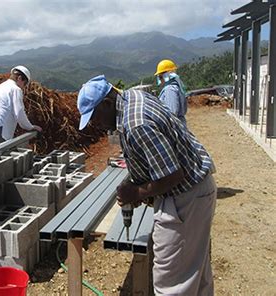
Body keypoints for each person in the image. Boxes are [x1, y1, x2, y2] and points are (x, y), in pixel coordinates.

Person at [77, 75, 216, 296]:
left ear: (106, 103)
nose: (97, 125)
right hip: (196, 192)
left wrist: (136, 192)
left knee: (171, 283)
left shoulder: (136, 123)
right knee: (195, 273)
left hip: (185, 200)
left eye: (95, 117)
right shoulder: (133, 96)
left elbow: (173, 175)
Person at [0, 65, 42, 148]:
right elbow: (19, 112)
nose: (23, 87)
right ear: (19, 78)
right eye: (25, 83)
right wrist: (30, 127)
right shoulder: (15, 89)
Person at [155, 59, 188, 125]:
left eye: (160, 77)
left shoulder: (170, 89)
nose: (159, 80)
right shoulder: (176, 86)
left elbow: (172, 113)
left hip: (175, 127)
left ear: (166, 76)